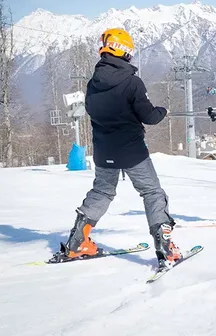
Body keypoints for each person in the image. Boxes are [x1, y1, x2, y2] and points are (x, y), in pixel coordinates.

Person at [57, 28, 181, 268]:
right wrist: (163, 111)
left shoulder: (93, 84)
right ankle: (165, 248)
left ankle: (76, 242)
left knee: (102, 192)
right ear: (123, 52)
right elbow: (149, 116)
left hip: (104, 151)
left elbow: (93, 111)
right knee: (152, 192)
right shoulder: (132, 82)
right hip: (132, 150)